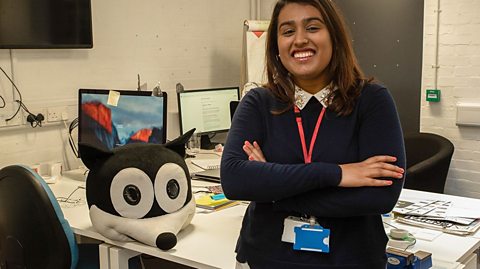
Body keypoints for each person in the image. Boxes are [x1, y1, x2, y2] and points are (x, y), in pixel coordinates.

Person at [220, 0, 406, 268]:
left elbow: (381, 197)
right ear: (276, 47)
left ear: (334, 36)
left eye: (312, 27)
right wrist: (338, 174)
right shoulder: (258, 102)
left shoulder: (371, 100)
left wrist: (272, 187)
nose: (300, 40)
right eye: (287, 31)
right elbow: (235, 181)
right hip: (265, 256)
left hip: (350, 259)